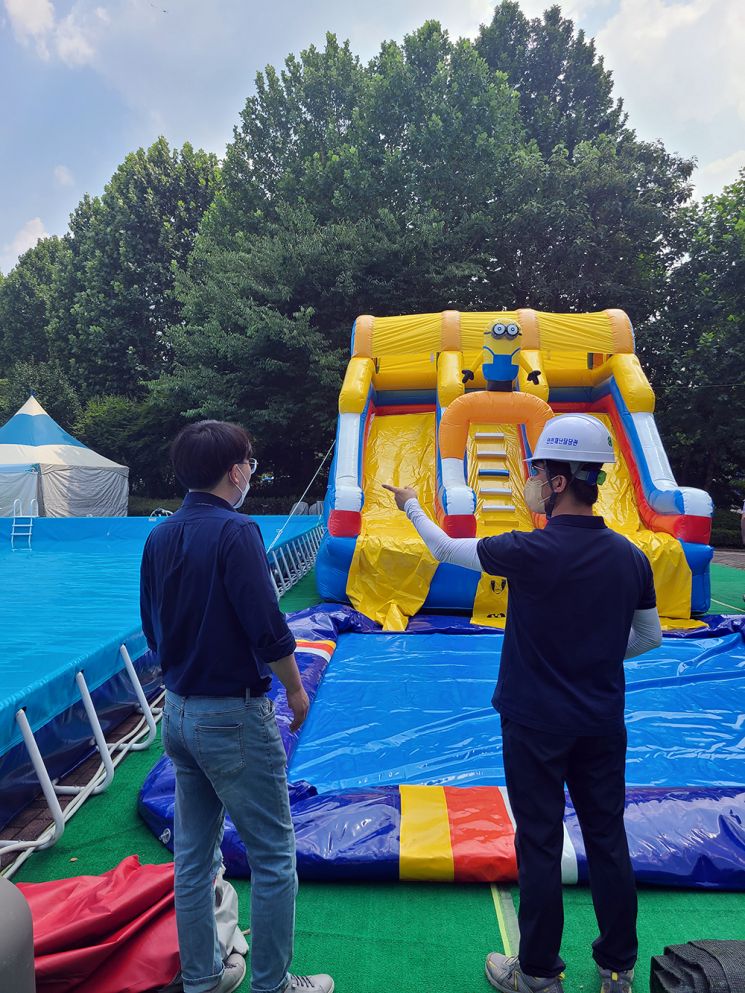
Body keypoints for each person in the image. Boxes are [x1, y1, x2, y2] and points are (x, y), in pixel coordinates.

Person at [384, 413, 662, 993]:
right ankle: (618, 967)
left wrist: (411, 503)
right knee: (608, 837)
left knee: (538, 839)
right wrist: (595, 654)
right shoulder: (631, 558)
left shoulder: (528, 550)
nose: (531, 478)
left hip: (535, 722)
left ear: (559, 481)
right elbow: (648, 639)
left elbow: (441, 547)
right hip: (601, 722)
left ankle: (537, 971)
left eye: (537, 470)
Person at [140, 420, 334, 993]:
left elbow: (152, 624)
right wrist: (296, 690)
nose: (251, 470)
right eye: (250, 461)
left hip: (177, 712)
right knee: (275, 858)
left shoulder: (159, 536)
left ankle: (201, 978)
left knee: (193, 861)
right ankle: (271, 985)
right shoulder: (237, 532)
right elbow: (266, 625)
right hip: (232, 717)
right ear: (236, 470)